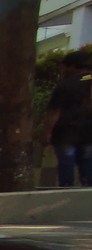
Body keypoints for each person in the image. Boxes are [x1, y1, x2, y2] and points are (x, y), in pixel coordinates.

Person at [44, 51, 92, 187]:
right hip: (89, 131)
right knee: (87, 159)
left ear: (72, 66)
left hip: (66, 131)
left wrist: (47, 132)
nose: (63, 70)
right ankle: (88, 188)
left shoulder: (65, 85)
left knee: (66, 160)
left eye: (64, 67)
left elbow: (54, 111)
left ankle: (66, 187)